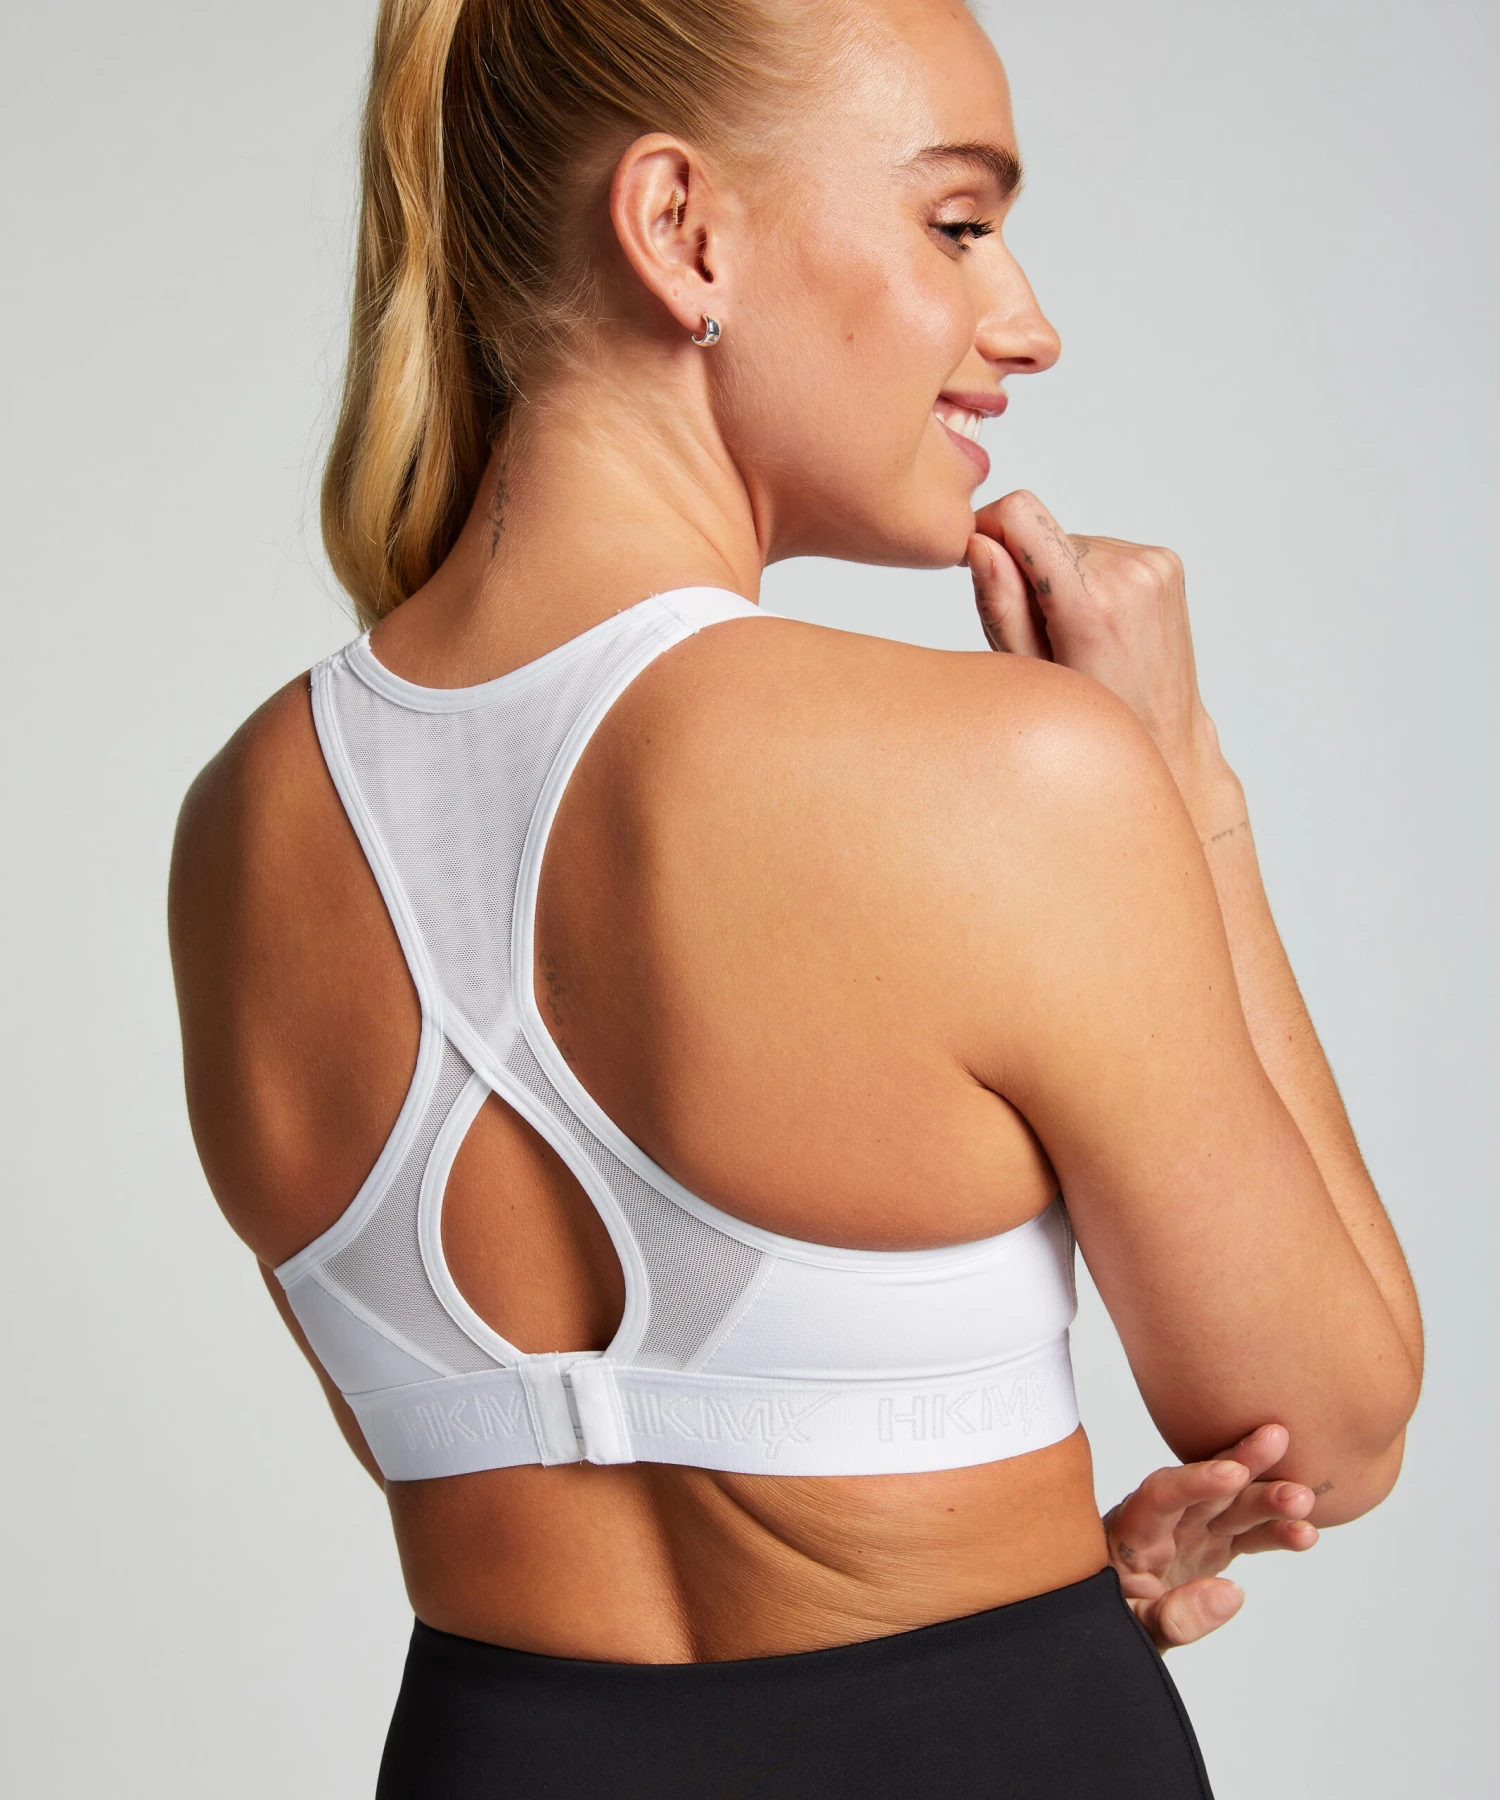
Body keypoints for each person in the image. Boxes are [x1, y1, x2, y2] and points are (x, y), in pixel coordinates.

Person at [167, 1, 1422, 1794]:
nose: (1027, 322)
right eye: (958, 223)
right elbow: (1332, 1429)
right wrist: (1187, 782)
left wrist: (1036, 1594)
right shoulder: (1014, 779)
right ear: (682, 230)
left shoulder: (245, 827)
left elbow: (524, 1476)